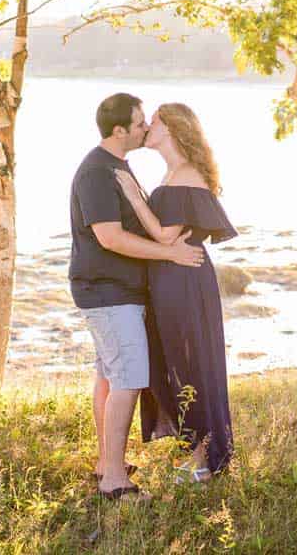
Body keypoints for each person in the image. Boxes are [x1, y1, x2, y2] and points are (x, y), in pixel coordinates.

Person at [69, 92, 205, 502]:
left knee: (111, 377)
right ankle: (114, 480)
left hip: (114, 292)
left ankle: (106, 463)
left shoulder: (117, 168)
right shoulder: (98, 171)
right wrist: (170, 253)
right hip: (108, 293)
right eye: (140, 121)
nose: (146, 127)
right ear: (119, 130)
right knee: (127, 379)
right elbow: (109, 237)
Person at [114, 101, 237, 482]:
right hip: (167, 279)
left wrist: (134, 197)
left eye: (152, 122)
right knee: (168, 359)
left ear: (170, 128)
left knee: (193, 361)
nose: (146, 127)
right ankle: (195, 444)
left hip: (186, 280)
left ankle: (207, 454)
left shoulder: (189, 174)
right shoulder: (172, 173)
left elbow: (167, 235)